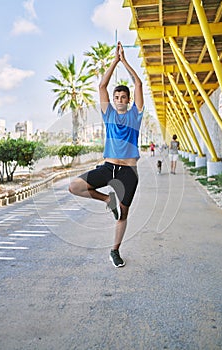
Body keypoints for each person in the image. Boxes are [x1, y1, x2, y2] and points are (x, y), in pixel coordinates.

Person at [69, 41, 144, 268]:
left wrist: (125, 62)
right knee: (74, 187)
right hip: (108, 167)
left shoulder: (136, 115)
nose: (120, 100)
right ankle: (106, 199)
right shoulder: (108, 114)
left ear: (129, 100)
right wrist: (114, 61)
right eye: (117, 97)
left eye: (123, 97)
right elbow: (102, 86)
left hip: (129, 172)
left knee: (123, 215)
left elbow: (138, 83)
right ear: (113, 100)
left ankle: (115, 250)